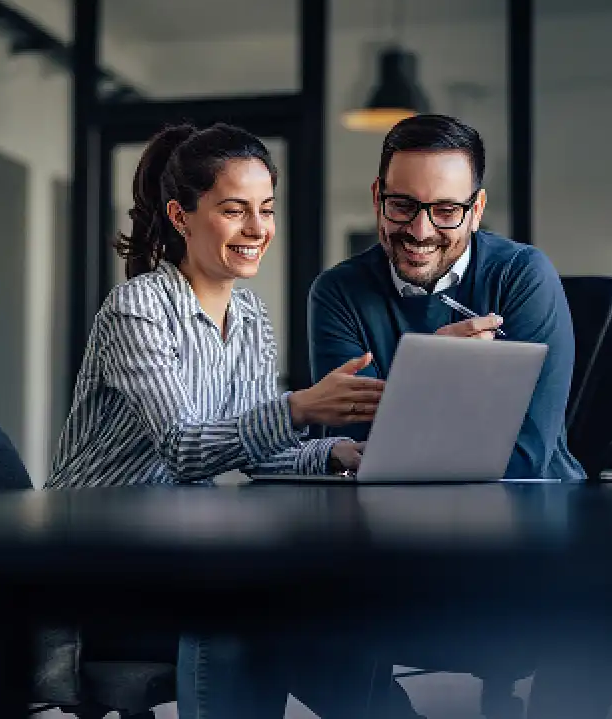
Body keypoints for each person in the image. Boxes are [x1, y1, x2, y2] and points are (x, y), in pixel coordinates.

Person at [45, 122, 386, 718]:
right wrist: (301, 406)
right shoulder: (137, 308)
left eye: (266, 210)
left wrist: (332, 454)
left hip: (178, 555)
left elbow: (256, 452)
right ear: (181, 218)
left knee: (331, 623)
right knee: (252, 617)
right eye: (235, 211)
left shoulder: (251, 316)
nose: (258, 230)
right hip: (96, 572)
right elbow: (183, 449)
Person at [308, 113, 585, 482]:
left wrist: (410, 408)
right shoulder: (338, 293)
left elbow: (526, 453)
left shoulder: (523, 276)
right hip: (392, 518)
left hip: (531, 508)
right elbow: (360, 452)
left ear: (477, 211)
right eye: (403, 206)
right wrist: (431, 377)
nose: (421, 231)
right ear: (378, 197)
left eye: (446, 210)